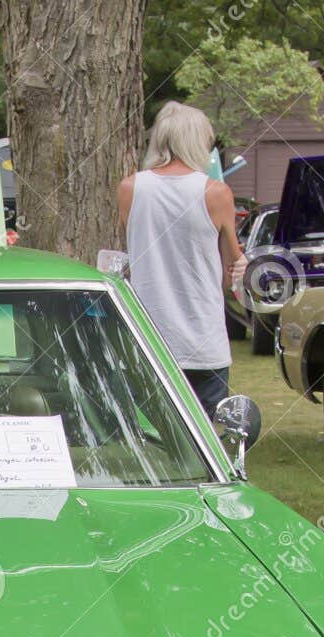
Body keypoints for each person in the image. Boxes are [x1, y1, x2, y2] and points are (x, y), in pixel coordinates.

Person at [118, 101, 246, 417]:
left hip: (148, 337)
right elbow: (231, 274)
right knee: (205, 444)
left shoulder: (130, 188)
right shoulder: (217, 192)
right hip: (203, 340)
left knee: (154, 442)